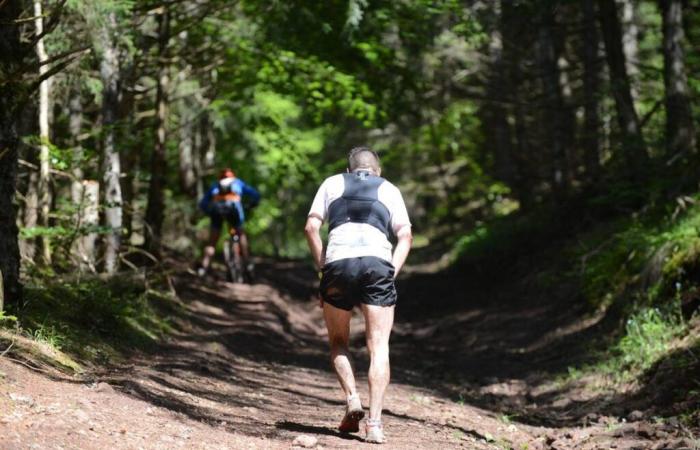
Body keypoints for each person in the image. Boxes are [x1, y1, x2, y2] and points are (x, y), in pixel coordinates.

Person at [304, 147, 412, 444]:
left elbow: (311, 227)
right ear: (377, 170)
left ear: (349, 170)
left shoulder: (331, 183)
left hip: (338, 263)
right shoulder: (389, 189)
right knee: (379, 346)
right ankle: (375, 425)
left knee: (339, 341)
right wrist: (391, 271)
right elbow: (405, 236)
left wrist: (323, 267)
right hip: (378, 264)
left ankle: (352, 398)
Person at [198, 168, 260, 278]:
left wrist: (208, 212)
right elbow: (255, 195)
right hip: (234, 212)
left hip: (217, 212)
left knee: (212, 242)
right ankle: (248, 265)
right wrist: (251, 205)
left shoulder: (215, 185)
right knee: (240, 235)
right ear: (232, 176)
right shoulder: (237, 183)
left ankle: (203, 268)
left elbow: (203, 203)